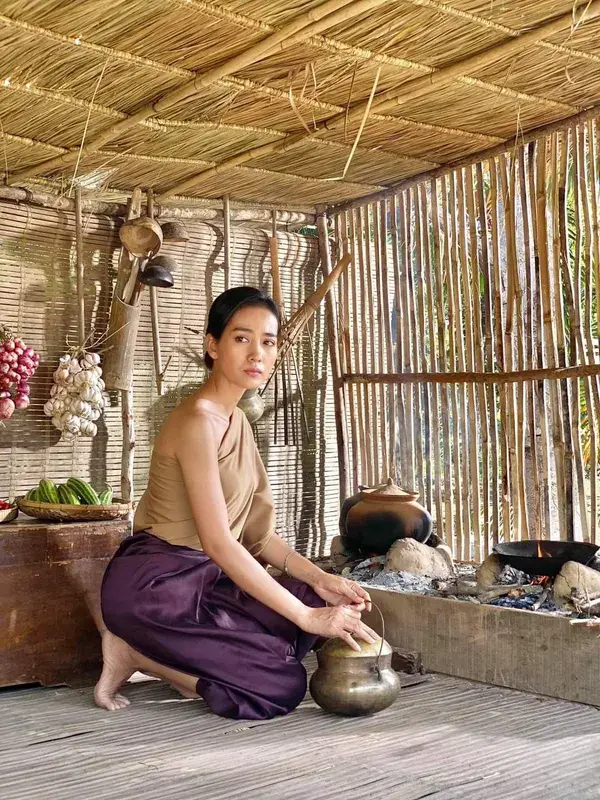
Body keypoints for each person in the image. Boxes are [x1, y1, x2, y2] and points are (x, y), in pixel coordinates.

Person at [95, 286, 377, 720]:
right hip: (158, 586)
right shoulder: (195, 421)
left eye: (268, 341)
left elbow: (259, 538)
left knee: (316, 605)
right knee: (281, 685)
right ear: (213, 345)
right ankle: (137, 654)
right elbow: (221, 544)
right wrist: (305, 617)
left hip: (210, 580)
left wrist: (322, 581)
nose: (256, 354)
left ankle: (205, 652)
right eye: (241, 338)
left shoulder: (238, 421)